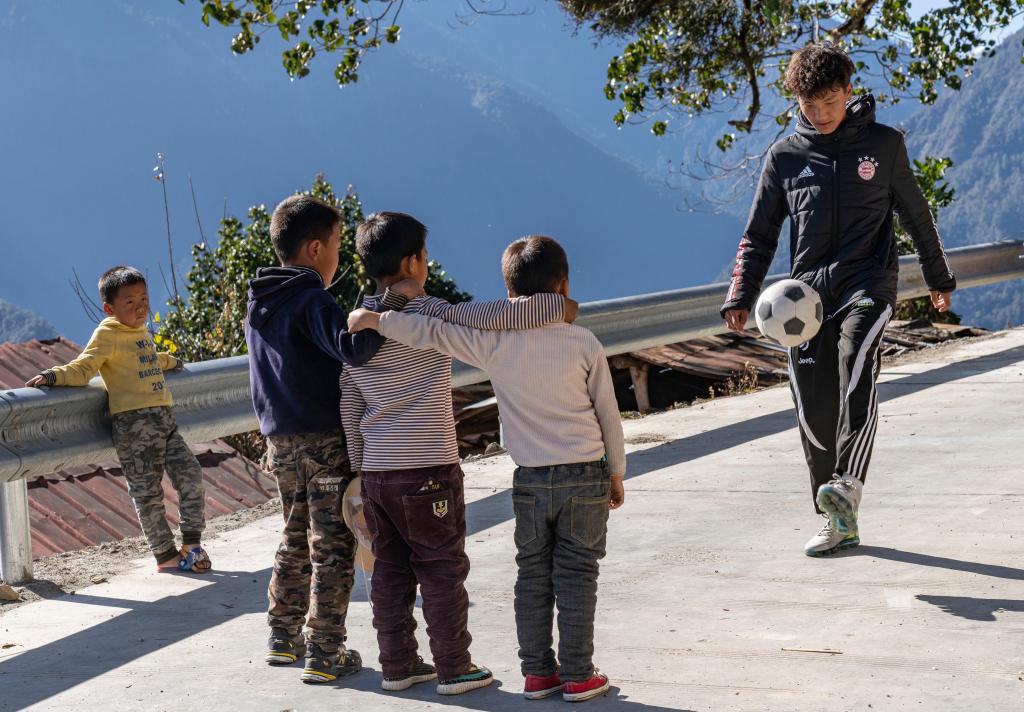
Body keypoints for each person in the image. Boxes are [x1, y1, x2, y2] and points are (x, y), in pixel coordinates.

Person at [348, 234, 625, 703]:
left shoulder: (494, 345)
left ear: (508, 293)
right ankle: (579, 674)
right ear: (564, 286)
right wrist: (615, 471)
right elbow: (608, 415)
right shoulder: (584, 342)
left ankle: (537, 675)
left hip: (529, 479)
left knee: (532, 575)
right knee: (577, 574)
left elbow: (431, 332)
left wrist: (379, 320)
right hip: (585, 476)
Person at [719, 42, 956, 557]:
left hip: (868, 282)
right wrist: (741, 293)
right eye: (810, 104)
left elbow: (916, 215)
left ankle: (848, 483)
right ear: (796, 100)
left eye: (830, 101)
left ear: (848, 91)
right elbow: (758, 234)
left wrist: (938, 277)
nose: (821, 113)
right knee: (813, 408)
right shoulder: (784, 157)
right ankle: (836, 518)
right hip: (805, 300)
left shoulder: (884, 146)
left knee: (856, 359)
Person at [246, 194, 422, 684]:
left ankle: (282, 636)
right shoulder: (311, 298)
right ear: (316, 249)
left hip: (280, 441)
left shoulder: (260, 299)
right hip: (323, 440)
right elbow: (355, 349)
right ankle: (324, 650)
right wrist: (392, 303)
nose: (340, 255)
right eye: (339, 245)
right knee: (333, 542)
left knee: (293, 532)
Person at [26, 266, 210, 574]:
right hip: (134, 428)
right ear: (109, 309)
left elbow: (145, 359)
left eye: (144, 299)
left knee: (190, 473)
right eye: (130, 302)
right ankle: (165, 555)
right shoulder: (108, 333)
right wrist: (54, 375)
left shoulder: (138, 331)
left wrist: (170, 361)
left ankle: (192, 542)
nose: (140, 307)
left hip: (164, 422)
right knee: (147, 493)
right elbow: (84, 367)